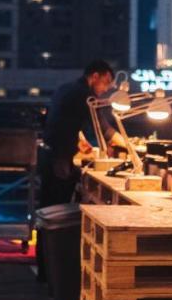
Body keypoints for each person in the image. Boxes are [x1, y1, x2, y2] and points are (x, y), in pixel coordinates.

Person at [39, 60, 130, 208]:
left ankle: (42, 230)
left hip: (49, 151)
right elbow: (102, 127)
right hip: (60, 155)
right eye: (106, 82)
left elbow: (62, 119)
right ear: (95, 76)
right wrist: (128, 145)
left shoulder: (67, 88)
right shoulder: (86, 95)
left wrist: (80, 139)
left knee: (47, 202)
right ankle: (55, 231)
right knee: (58, 203)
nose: (106, 88)